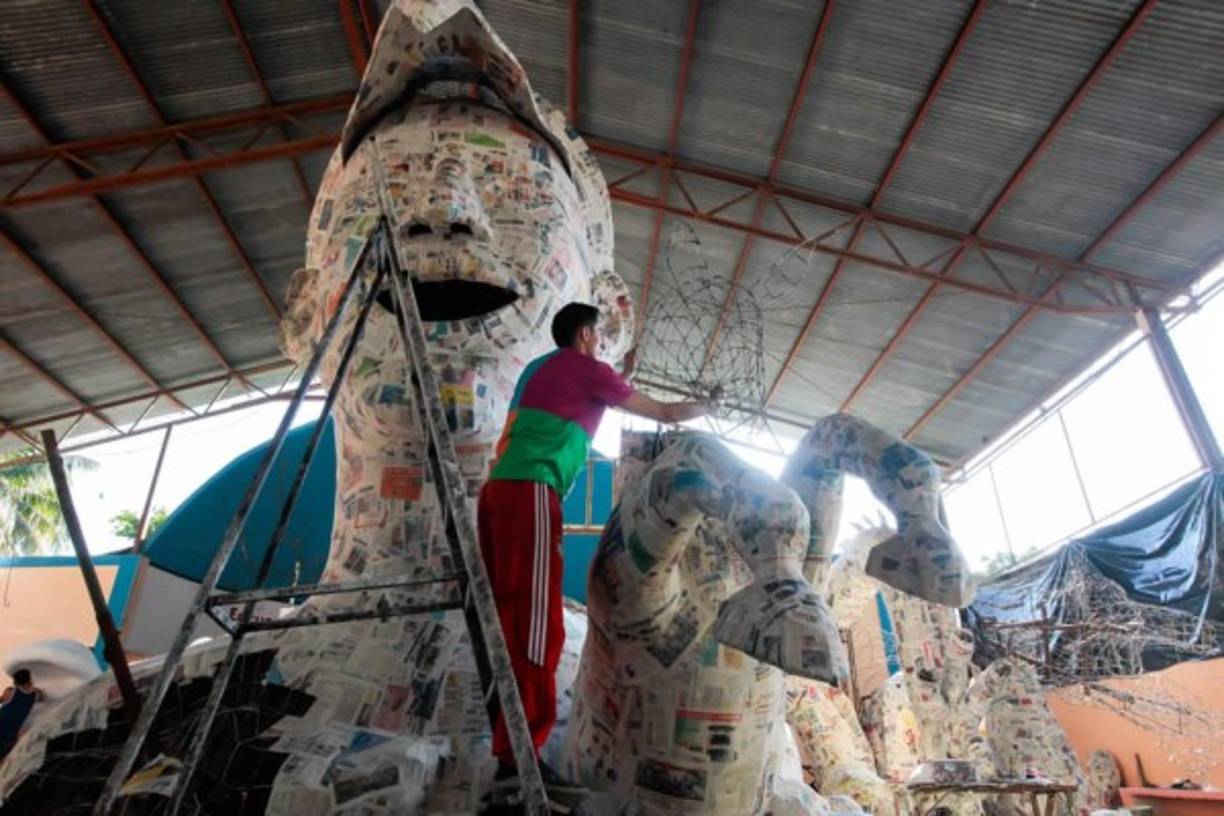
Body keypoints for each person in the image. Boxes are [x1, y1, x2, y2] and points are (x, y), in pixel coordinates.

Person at [478, 302, 715, 806]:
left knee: (506, 621)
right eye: (599, 338)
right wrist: (706, 404)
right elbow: (666, 413)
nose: (601, 347)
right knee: (539, 628)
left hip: (498, 492)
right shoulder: (587, 370)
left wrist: (618, 373)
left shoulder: (540, 368)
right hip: (531, 493)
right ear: (586, 335)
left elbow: (591, 393)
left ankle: (507, 749)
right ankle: (522, 758)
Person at [0, 669, 44, 762]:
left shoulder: (10, 691)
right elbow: (42, 699)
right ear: (30, 680)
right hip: (10, 737)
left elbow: (1, 700)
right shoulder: (36, 694)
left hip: (7, 734)